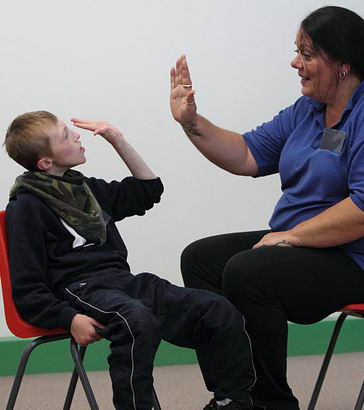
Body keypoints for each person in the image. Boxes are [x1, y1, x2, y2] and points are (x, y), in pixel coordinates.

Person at [170, 5, 364, 410]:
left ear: (344, 63)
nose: (295, 63)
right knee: (201, 259)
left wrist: (289, 237)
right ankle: (232, 395)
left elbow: (362, 209)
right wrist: (191, 121)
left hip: (353, 257)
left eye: (307, 54)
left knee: (248, 271)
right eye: (297, 51)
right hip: (304, 247)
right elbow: (246, 154)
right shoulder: (307, 111)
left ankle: (269, 402)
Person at [4, 110, 257, 410]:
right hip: (79, 289)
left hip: (121, 282)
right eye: (64, 136)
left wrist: (117, 140)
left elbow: (148, 190)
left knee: (217, 310)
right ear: (45, 162)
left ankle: (232, 403)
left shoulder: (86, 190)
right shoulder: (26, 207)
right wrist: (68, 318)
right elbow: (27, 289)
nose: (76, 135)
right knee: (135, 319)